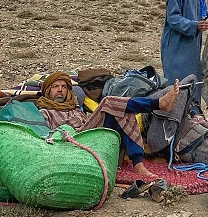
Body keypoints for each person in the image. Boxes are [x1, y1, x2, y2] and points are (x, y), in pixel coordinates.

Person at [36, 70, 179, 183]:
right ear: (48, 91)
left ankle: (138, 163)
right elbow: (47, 137)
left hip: (93, 136)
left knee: (122, 111)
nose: (60, 90)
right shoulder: (44, 112)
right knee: (108, 102)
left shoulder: (75, 108)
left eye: (63, 87)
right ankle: (157, 104)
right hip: (74, 143)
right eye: (55, 87)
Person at [161, 0, 208, 103]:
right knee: (177, 80)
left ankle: (192, 110)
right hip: (176, 46)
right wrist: (194, 25)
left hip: (191, 45)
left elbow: (198, 12)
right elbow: (173, 18)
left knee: (193, 79)